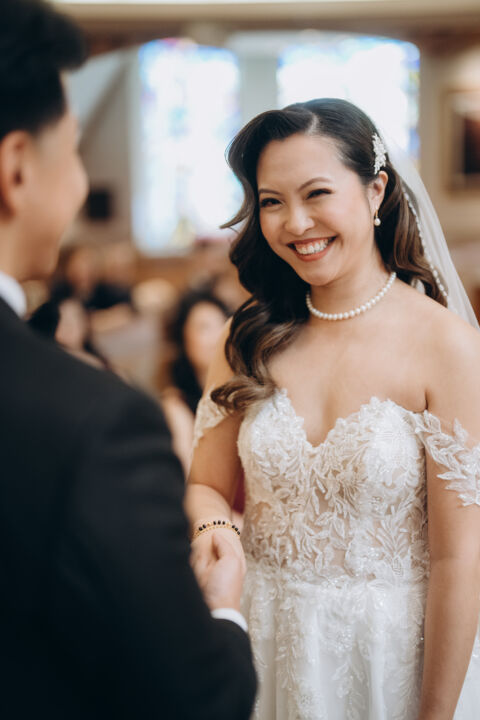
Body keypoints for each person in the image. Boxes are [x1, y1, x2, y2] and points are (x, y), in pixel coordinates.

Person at [0, 1, 256, 718]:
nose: (81, 182)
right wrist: (223, 611)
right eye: (74, 150)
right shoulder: (91, 423)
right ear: (16, 168)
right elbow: (197, 696)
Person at [186, 98, 480, 719]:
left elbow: (459, 559)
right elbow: (206, 485)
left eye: (317, 193)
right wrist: (215, 530)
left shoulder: (447, 347)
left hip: (390, 664)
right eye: (272, 201)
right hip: (265, 644)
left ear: (376, 192)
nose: (296, 223)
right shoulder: (248, 337)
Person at [161, 289, 231, 473]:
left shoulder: (243, 390)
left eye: (222, 325)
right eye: (204, 328)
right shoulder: (176, 406)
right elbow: (186, 473)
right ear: (182, 338)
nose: (217, 337)